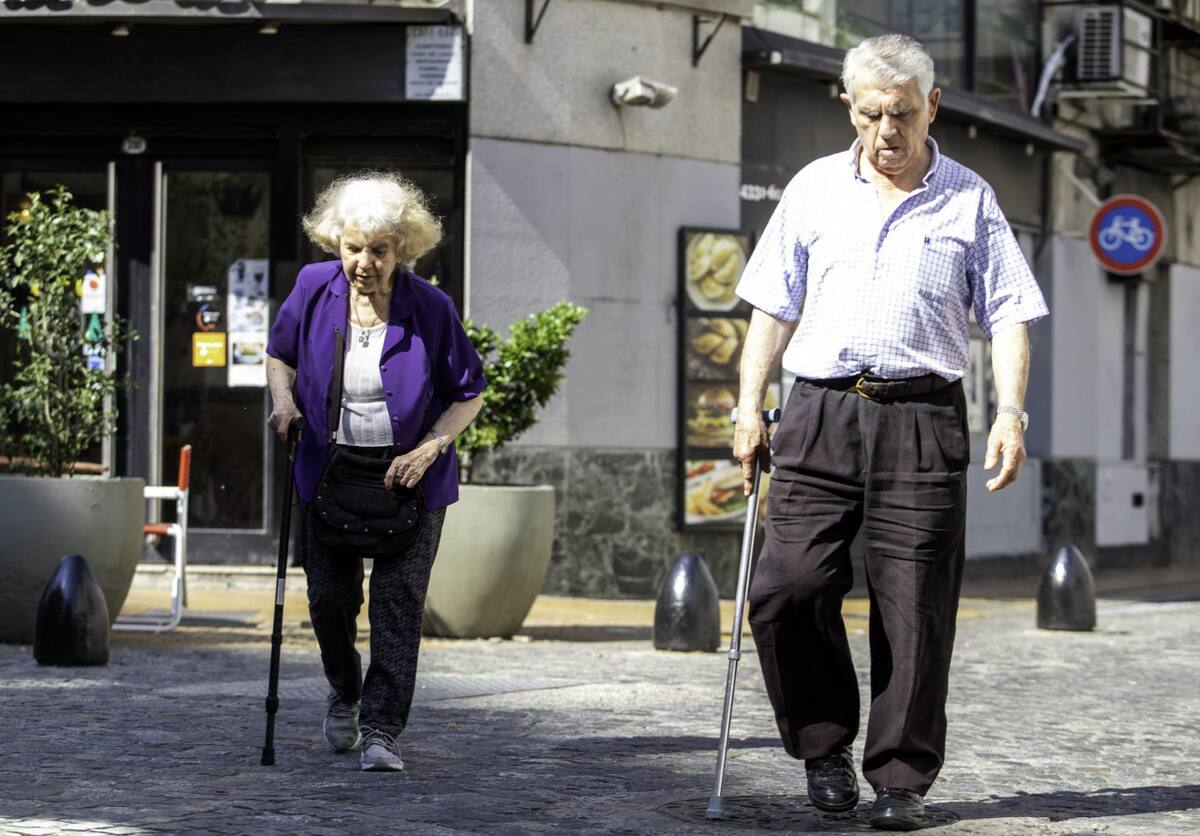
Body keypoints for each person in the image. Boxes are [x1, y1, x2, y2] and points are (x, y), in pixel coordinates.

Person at [732, 34, 1048, 831]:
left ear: (931, 106)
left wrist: (1011, 411)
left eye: (902, 113)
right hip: (818, 410)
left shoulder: (970, 198)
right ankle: (823, 745)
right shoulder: (810, 190)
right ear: (850, 107)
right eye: (871, 113)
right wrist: (747, 405)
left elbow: (1010, 315)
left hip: (922, 415)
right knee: (786, 588)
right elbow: (772, 304)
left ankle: (900, 778)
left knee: (914, 606)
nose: (887, 131)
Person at [266, 173, 485, 771]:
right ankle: (345, 688)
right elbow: (280, 354)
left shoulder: (431, 308)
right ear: (336, 243)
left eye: (379, 250)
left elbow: (469, 393)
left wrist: (433, 446)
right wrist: (284, 402)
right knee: (328, 598)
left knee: (397, 604)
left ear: (402, 249)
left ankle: (383, 729)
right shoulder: (313, 288)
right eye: (353, 247)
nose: (364, 263)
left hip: (411, 479)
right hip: (329, 470)